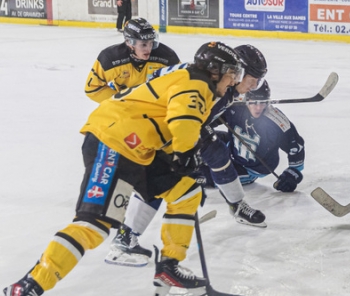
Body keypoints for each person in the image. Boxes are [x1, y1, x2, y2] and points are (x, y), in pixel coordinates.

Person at [0, 43, 246, 296]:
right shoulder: (197, 84)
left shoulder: (190, 79)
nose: (234, 81)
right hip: (114, 142)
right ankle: (26, 288)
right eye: (232, 74)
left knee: (185, 191)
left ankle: (168, 270)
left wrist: (182, 155)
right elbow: (182, 119)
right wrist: (186, 152)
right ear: (215, 71)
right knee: (94, 225)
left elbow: (164, 119)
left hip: (137, 146)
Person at [105, 45, 269, 266]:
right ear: (234, 71)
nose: (254, 85)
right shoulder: (206, 83)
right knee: (161, 178)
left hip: (171, 120)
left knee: (217, 152)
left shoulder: (223, 82)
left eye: (259, 80)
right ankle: (126, 236)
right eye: (252, 78)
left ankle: (237, 205)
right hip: (152, 125)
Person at [202, 80, 305, 195]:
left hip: (249, 169)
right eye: (254, 102)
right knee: (195, 137)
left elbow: (296, 148)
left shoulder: (276, 121)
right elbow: (208, 120)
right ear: (246, 99)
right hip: (232, 146)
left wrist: (293, 173)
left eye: (263, 102)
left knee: (200, 176)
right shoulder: (234, 106)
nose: (258, 108)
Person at [84, 18, 181, 103]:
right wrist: (120, 101)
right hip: (125, 108)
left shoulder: (167, 56)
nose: (149, 49)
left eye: (151, 43)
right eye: (143, 44)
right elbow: (92, 88)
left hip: (155, 106)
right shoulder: (110, 58)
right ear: (129, 42)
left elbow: (183, 82)